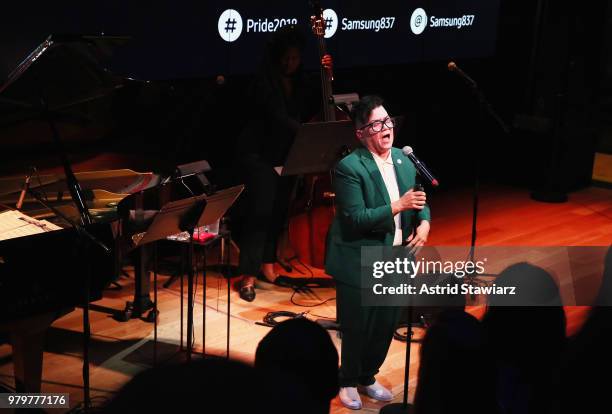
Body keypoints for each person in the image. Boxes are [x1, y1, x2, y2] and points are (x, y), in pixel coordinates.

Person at [325, 95, 431, 409]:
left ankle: (368, 376)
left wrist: (424, 224)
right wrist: (398, 205)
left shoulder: (403, 158)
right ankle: (347, 381)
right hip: (359, 256)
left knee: (385, 323)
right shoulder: (349, 167)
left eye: (388, 121)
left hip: (397, 257)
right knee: (358, 325)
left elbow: (420, 199)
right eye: (376, 124)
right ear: (361, 133)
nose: (386, 128)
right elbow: (355, 219)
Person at [234, 25, 332, 302]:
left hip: (286, 154)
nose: (291, 63)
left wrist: (328, 71)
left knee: (278, 212)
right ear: (277, 56)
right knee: (260, 213)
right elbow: (276, 117)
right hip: (259, 155)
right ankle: (248, 276)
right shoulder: (263, 82)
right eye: (287, 58)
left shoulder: (301, 80)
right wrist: (305, 133)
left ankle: (268, 266)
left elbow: (321, 99)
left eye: (296, 58)